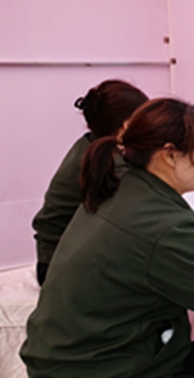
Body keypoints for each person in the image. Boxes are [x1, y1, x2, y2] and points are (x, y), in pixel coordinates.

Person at [20, 98, 194, 377]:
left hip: (86, 356)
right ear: (170, 155)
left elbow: (192, 245)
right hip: (103, 368)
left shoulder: (126, 187)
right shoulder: (156, 223)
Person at [31, 79, 148, 286]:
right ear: (126, 125)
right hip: (58, 268)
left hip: (53, 258)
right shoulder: (106, 162)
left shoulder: (91, 144)